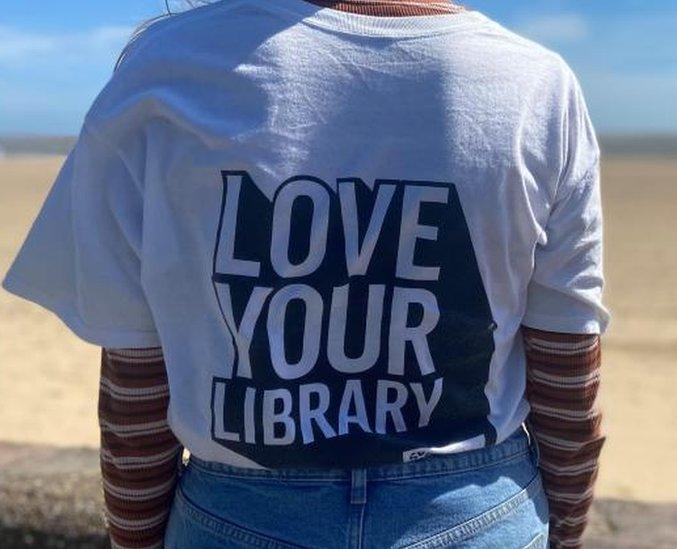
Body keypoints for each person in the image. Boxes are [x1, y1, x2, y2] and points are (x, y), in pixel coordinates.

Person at [3, 0, 609, 547]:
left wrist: (136, 539)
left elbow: (137, 383)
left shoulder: (164, 68)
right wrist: (567, 532)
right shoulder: (536, 84)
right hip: (475, 514)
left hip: (236, 512)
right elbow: (567, 372)